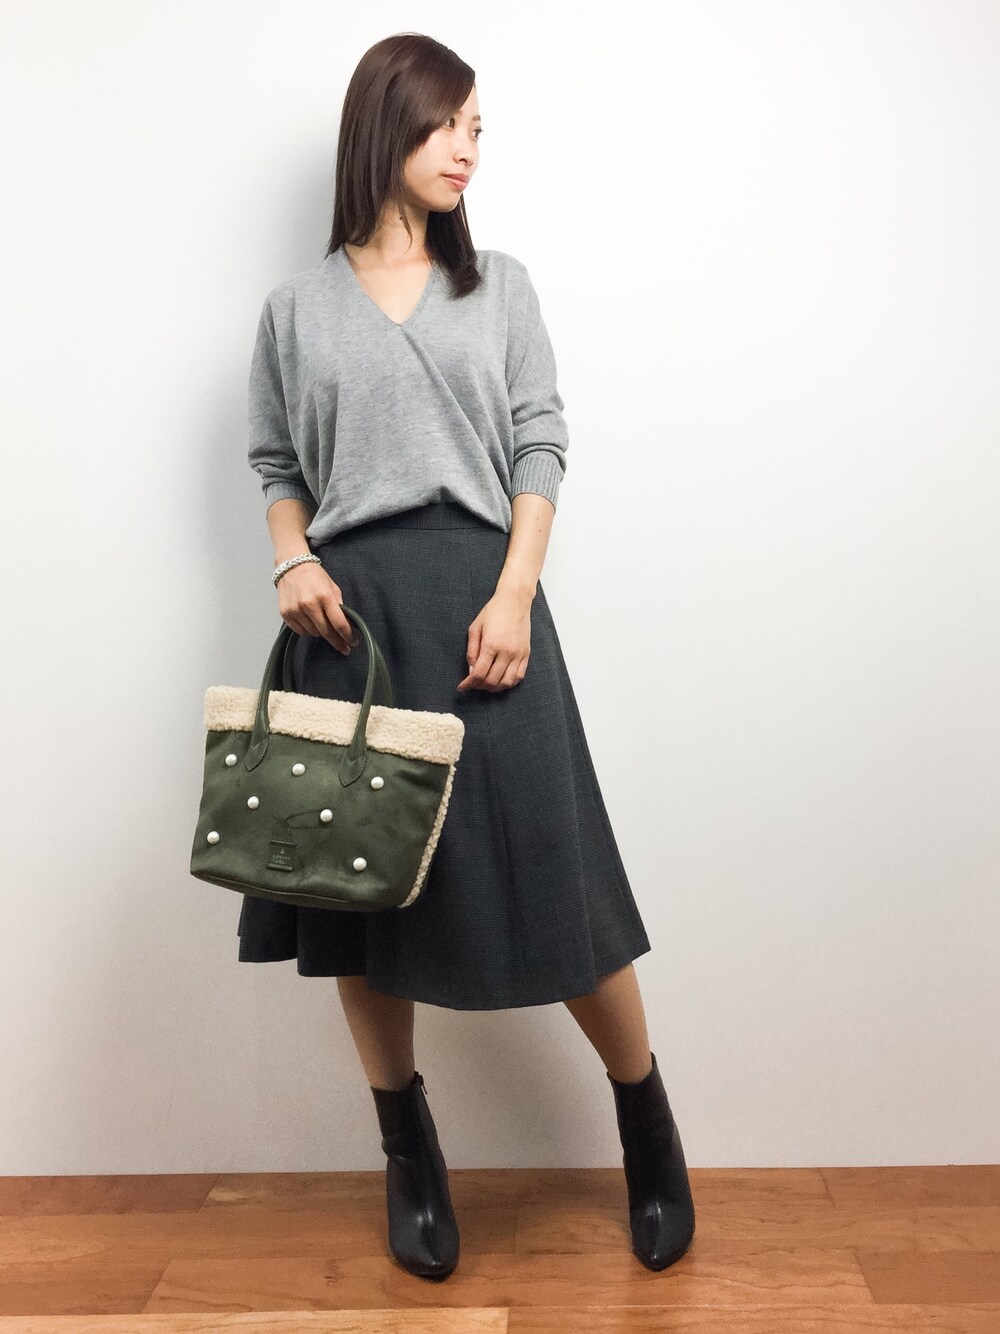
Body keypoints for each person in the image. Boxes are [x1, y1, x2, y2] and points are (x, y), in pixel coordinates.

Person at [236, 32, 695, 1280]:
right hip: (351, 621)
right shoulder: (295, 308)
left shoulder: (502, 288)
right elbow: (276, 463)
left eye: (479, 130)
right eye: (450, 125)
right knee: (365, 902)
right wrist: (293, 560)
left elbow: (540, 442)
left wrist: (514, 593)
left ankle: (646, 1118)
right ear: (388, 125)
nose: (468, 151)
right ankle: (408, 1149)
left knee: (559, 880)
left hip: (488, 604)